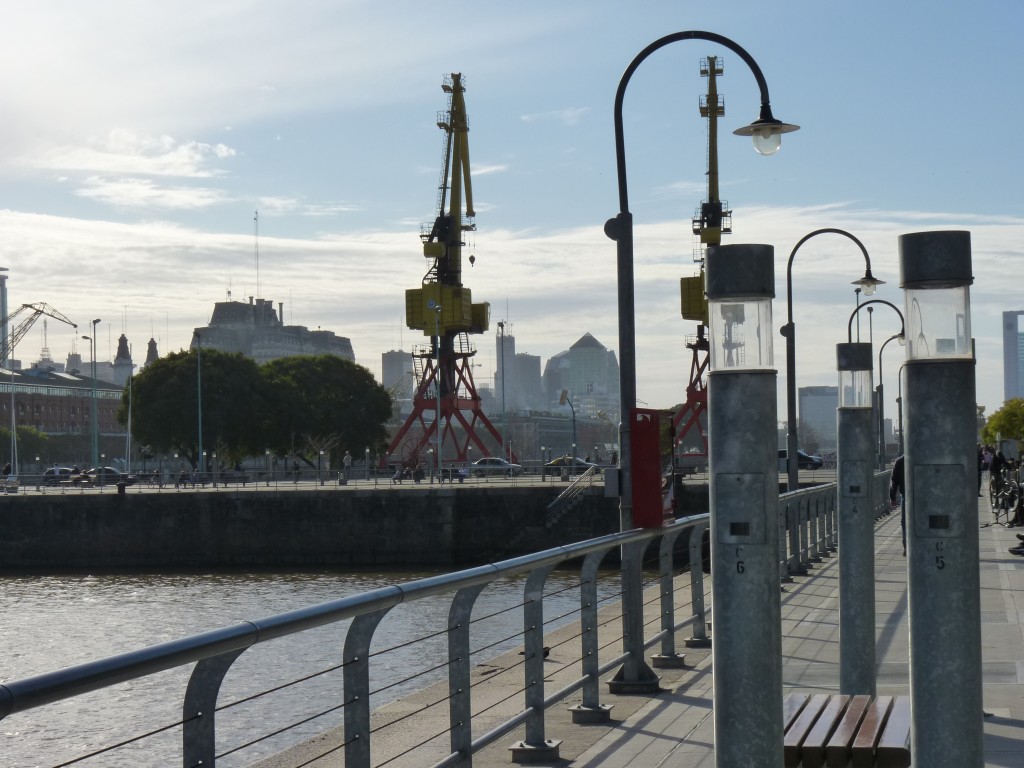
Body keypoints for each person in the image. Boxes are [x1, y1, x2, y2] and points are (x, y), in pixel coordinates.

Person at [889, 454, 905, 556]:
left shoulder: (900, 461)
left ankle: (907, 546)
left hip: (906, 496)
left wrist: (892, 498)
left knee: (905, 522)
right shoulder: (924, 457)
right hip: (924, 498)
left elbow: (894, 481)